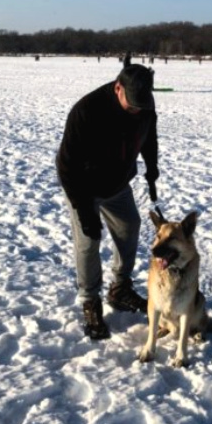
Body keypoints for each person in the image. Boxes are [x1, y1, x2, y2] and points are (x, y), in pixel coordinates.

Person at [56, 64, 159, 340]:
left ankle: (120, 288)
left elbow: (150, 137)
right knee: (88, 241)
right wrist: (84, 211)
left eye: (142, 105)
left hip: (117, 184)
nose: (137, 110)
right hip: (83, 185)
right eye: (132, 104)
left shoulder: (145, 105)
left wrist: (152, 167)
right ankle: (90, 300)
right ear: (117, 87)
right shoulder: (86, 111)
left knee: (130, 227)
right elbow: (66, 166)